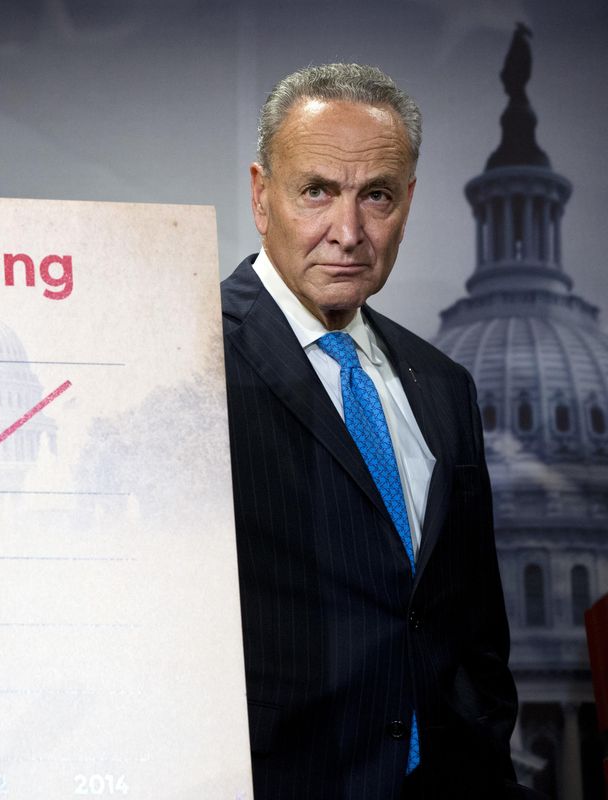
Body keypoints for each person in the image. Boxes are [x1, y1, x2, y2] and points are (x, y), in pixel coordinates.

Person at [222, 64, 537, 799]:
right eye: (317, 191)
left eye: (377, 197)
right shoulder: (191, 362)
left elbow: (472, 630)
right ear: (261, 194)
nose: (349, 232)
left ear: (409, 202)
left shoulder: (445, 384)